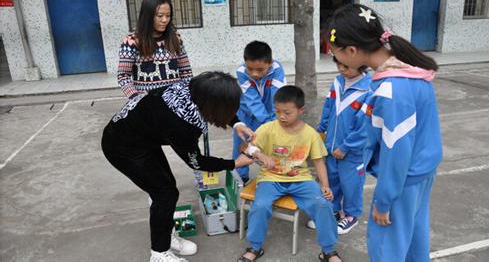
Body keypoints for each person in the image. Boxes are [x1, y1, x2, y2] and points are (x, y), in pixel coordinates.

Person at [327, 3, 442, 262]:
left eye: (337, 54)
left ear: (353, 51)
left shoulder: (392, 88)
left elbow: (396, 150)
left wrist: (384, 200)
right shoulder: (408, 68)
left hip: (402, 180)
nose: (338, 61)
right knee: (413, 239)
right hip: (420, 171)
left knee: (385, 249)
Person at [101, 72, 256, 262]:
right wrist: (235, 163)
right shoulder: (181, 124)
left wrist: (237, 123)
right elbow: (196, 162)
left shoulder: (193, 88)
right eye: (229, 109)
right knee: (164, 193)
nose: (232, 110)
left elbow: (215, 104)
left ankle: (166, 235)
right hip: (122, 147)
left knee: (165, 188)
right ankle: (159, 253)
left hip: (140, 138)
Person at [238, 86, 341, 262]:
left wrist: (324, 185)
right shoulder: (268, 128)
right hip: (270, 178)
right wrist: (258, 153)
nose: (282, 116)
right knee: (260, 206)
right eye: (277, 111)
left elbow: (318, 162)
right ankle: (255, 247)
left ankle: (328, 250)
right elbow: (244, 147)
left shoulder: (310, 134)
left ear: (301, 110)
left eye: (287, 112)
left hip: (301, 179)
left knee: (323, 204)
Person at [307, 56, 372, 235]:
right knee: (331, 180)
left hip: (353, 152)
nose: (342, 69)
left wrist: (345, 147)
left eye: (347, 67)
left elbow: (364, 126)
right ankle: (333, 211)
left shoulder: (368, 89)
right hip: (331, 146)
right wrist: (321, 129)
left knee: (351, 184)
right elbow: (328, 107)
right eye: (339, 65)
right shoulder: (337, 81)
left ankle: (351, 216)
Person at [117, 0, 192, 99]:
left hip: (175, 102)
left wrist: (186, 96)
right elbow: (123, 77)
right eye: (160, 16)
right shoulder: (131, 41)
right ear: (148, 16)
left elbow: (186, 72)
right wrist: (137, 99)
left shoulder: (175, 37)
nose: (165, 20)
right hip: (147, 105)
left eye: (168, 15)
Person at [232, 41, 286, 184]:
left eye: (260, 70)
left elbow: (278, 98)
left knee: (269, 144)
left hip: (269, 114)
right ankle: (241, 177)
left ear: (270, 63)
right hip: (245, 114)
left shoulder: (277, 69)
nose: (254, 74)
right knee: (242, 144)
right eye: (250, 69)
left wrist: (273, 123)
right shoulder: (241, 72)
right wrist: (268, 123)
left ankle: (273, 174)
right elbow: (252, 100)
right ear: (245, 63)